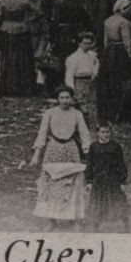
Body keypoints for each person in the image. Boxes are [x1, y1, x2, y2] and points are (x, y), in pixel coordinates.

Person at [31, 85, 91, 228]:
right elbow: (42, 133)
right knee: (51, 185)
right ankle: (52, 220)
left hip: (70, 150)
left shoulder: (77, 114)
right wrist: (36, 154)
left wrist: (88, 151)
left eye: (67, 97)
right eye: (62, 98)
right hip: (53, 150)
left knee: (72, 184)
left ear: (72, 99)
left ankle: (73, 219)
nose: (64, 101)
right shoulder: (49, 113)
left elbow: (84, 134)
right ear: (57, 99)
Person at [96, 0, 131, 124]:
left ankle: (109, 113)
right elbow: (127, 43)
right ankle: (125, 114)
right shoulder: (124, 23)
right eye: (129, 9)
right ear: (123, 9)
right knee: (129, 81)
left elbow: (105, 41)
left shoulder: (107, 21)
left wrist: (106, 55)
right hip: (121, 53)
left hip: (109, 52)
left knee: (110, 82)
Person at [0, 0, 39, 97]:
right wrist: (28, 21)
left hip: (6, 30)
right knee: (24, 58)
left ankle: (8, 87)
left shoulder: (3, 3)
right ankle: (25, 87)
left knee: (7, 58)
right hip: (22, 30)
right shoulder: (24, 2)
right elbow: (37, 12)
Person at [85, 124, 129, 232]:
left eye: (107, 132)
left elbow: (121, 163)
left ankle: (122, 222)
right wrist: (89, 181)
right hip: (98, 178)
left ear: (110, 133)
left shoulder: (115, 146)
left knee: (116, 199)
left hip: (112, 178)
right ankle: (97, 222)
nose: (105, 134)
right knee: (98, 200)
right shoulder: (94, 146)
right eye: (102, 132)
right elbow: (90, 164)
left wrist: (122, 180)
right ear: (98, 133)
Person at [63, 31, 100, 118]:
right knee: (81, 106)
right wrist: (71, 90)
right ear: (79, 43)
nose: (87, 46)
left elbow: (96, 65)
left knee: (93, 105)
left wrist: (94, 73)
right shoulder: (73, 58)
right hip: (79, 83)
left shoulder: (93, 55)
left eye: (89, 43)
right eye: (85, 43)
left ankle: (93, 127)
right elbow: (69, 76)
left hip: (91, 82)